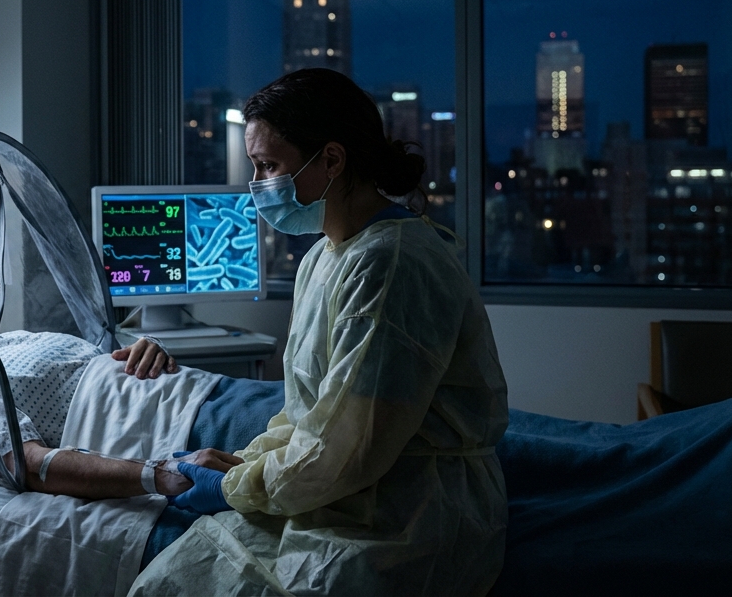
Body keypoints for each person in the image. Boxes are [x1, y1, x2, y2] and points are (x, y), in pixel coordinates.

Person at [130, 68, 510, 596]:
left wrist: (237, 487)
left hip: (405, 520)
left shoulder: (391, 263)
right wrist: (249, 463)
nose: (259, 184)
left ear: (331, 160)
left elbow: (350, 445)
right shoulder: (324, 258)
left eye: (268, 166)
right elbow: (309, 411)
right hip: (341, 492)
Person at [0, 268, 243, 500]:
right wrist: (159, 474)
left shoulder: (2, 344)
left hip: (210, 392)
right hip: (192, 430)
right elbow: (29, 466)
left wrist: (150, 348)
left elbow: (108, 364)